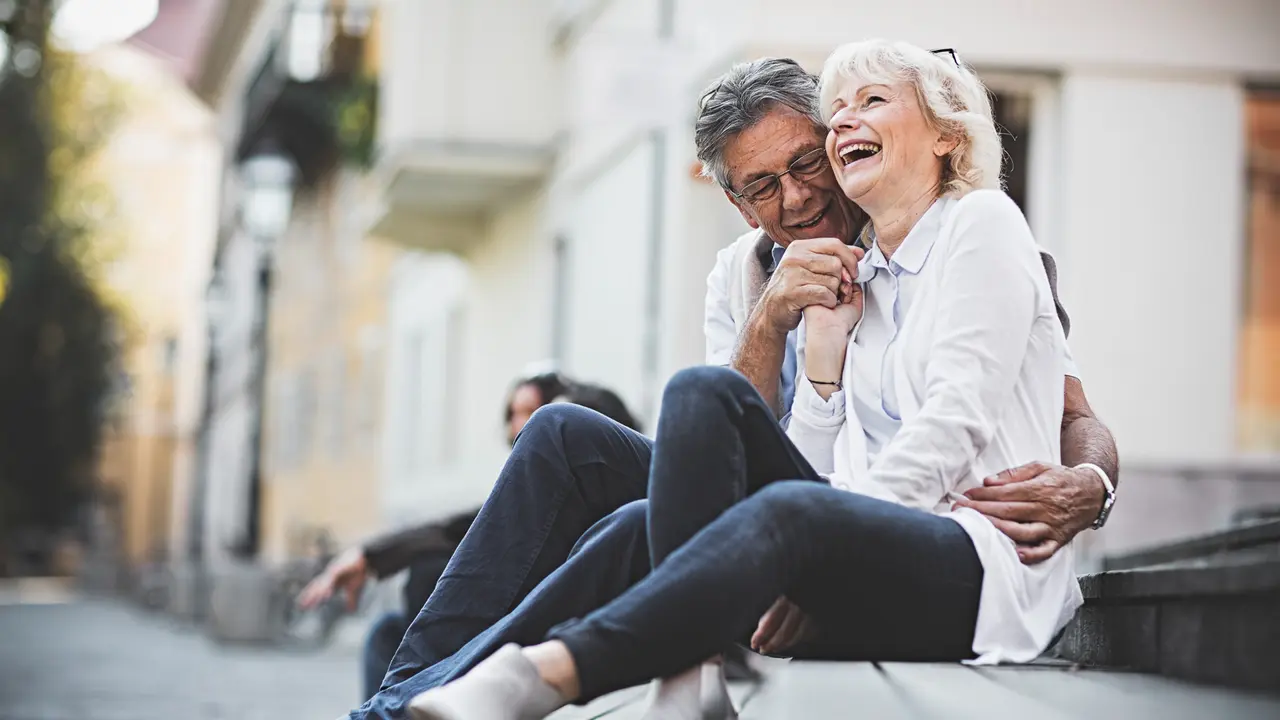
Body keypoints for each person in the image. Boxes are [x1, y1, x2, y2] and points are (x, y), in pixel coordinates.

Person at [348, 53, 1118, 720]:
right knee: (565, 433)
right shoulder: (740, 274)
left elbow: (1071, 413)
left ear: (833, 141)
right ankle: (403, 700)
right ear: (735, 202)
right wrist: (771, 319)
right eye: (762, 187)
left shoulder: (962, 236)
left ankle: (656, 665)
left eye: (807, 163)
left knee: (647, 521)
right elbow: (722, 436)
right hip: (770, 494)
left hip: (878, 525)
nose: (796, 198)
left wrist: (1090, 484)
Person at [299, 372, 636, 702]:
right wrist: (368, 556)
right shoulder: (529, 486)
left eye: (529, 412)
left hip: (549, 616)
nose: (518, 425)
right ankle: (394, 702)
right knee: (387, 630)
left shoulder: (582, 445)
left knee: (424, 585)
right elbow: (459, 526)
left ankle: (395, 704)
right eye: (513, 414)